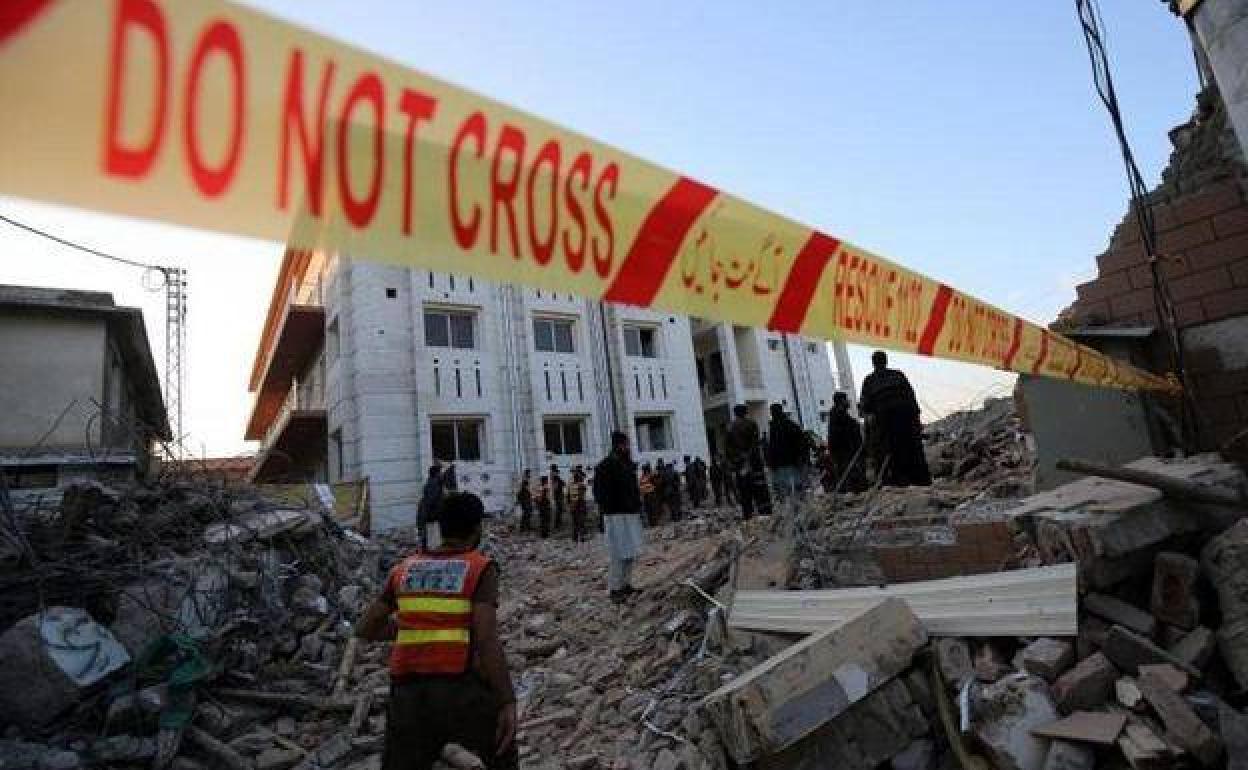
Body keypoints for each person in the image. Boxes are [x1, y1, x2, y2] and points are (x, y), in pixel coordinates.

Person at [355, 492, 517, 770]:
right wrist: (507, 701)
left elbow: (366, 627)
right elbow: (486, 639)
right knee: (501, 751)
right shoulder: (479, 568)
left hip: (407, 694)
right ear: (477, 529)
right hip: (460, 689)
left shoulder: (404, 570)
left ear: (440, 528)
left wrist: (415, 626)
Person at [859, 351, 932, 487]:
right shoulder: (897, 375)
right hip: (902, 422)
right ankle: (918, 480)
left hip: (890, 424)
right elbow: (911, 397)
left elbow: (865, 405)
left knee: (892, 453)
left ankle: (900, 481)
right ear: (885, 361)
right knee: (910, 451)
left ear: (874, 363)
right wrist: (916, 417)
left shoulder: (870, 380)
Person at [593, 431, 645, 603]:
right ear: (619, 445)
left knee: (631, 551)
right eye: (626, 444)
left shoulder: (627, 465)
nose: (628, 447)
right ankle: (615, 589)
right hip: (615, 516)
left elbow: (633, 490)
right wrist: (608, 508)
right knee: (618, 553)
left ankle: (626, 584)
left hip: (630, 514)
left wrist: (637, 507)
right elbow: (598, 493)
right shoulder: (604, 466)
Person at [726, 404, 772, 519]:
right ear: (745, 412)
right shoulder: (751, 424)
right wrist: (749, 456)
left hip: (739, 464)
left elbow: (728, 448)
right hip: (754, 462)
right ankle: (764, 511)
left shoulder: (730, 427)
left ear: (735, 413)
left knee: (744, 490)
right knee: (760, 487)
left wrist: (735, 461)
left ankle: (747, 513)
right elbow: (755, 443)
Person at [766, 403, 812, 506]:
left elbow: (773, 448)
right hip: (789, 463)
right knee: (794, 490)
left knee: (788, 491)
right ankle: (798, 509)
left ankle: (796, 511)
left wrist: (771, 463)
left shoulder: (777, 426)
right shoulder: (789, 425)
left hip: (786, 464)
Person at [826, 392, 868, 493]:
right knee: (847, 473)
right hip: (844, 452)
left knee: (848, 473)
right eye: (845, 399)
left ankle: (852, 491)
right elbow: (844, 432)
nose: (848, 401)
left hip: (845, 451)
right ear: (841, 401)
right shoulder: (838, 415)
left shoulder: (840, 415)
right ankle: (850, 492)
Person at [418, 464, 444, 550]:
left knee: (431, 534)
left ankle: (429, 549)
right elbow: (431, 500)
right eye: (440, 472)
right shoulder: (433, 484)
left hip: (432, 513)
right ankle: (430, 551)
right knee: (432, 535)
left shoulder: (434, 483)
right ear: (436, 473)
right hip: (432, 514)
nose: (441, 473)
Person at [569, 467, 589, 543]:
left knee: (575, 522)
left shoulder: (570, 485)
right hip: (580, 504)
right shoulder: (581, 486)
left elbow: (567, 495)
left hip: (573, 504)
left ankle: (574, 537)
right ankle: (581, 537)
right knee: (581, 521)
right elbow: (582, 493)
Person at [550, 465, 566, 533]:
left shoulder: (554, 477)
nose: (557, 472)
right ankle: (557, 524)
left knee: (559, 509)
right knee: (559, 509)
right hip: (558, 495)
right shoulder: (554, 477)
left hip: (558, 494)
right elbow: (556, 487)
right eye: (556, 471)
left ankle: (558, 523)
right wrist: (562, 484)